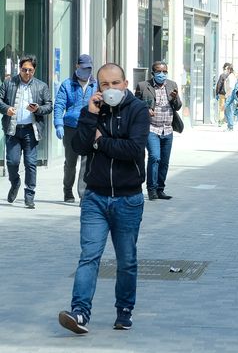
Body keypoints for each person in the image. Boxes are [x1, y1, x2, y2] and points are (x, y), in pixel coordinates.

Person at [58, 63, 150, 335]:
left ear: (125, 84)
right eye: (104, 85)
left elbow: (134, 149)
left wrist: (101, 142)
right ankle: (79, 313)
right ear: (98, 87)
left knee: (127, 260)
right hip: (95, 197)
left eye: (115, 83)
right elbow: (79, 147)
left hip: (128, 198)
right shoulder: (94, 110)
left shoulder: (138, 110)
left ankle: (124, 310)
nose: (110, 89)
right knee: (89, 256)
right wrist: (89, 115)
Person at [0, 54, 53, 209]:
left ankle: (29, 195)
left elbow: (49, 106)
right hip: (13, 130)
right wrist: (6, 109)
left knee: (30, 164)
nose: (27, 73)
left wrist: (38, 109)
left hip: (31, 130)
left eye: (30, 70)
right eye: (24, 69)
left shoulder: (41, 86)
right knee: (12, 162)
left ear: (34, 70)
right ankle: (15, 182)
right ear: (20, 69)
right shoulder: (9, 83)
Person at [134, 61, 182, 201]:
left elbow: (178, 106)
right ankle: (152, 189)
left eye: (164, 72)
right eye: (159, 72)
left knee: (164, 161)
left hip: (167, 128)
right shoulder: (143, 86)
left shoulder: (172, 85)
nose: (162, 74)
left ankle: (160, 189)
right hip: (151, 128)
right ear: (153, 73)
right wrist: (145, 109)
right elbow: (135, 104)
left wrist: (174, 98)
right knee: (155, 157)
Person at [54, 54, 97, 202]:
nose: (87, 71)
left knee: (86, 162)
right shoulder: (67, 85)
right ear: (77, 67)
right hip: (70, 128)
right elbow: (59, 105)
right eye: (84, 68)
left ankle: (83, 194)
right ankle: (67, 190)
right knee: (71, 162)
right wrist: (59, 124)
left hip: (88, 127)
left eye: (89, 68)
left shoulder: (95, 85)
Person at [215, 63, 232, 128]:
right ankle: (228, 120)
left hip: (222, 94)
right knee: (228, 107)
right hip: (228, 94)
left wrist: (217, 93)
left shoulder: (222, 75)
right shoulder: (230, 75)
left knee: (222, 107)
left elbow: (218, 85)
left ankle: (221, 121)